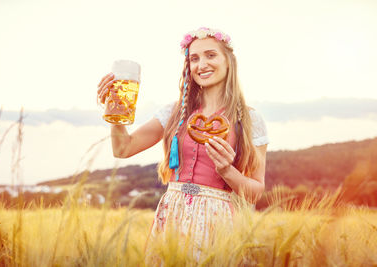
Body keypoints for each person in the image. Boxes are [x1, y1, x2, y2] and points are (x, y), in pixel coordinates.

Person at [96, 27, 269, 262]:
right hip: (172, 214)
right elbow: (123, 148)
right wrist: (114, 111)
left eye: (210, 55)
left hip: (218, 219)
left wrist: (228, 171)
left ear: (228, 61)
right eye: (194, 58)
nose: (201, 64)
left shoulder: (249, 120)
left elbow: (255, 192)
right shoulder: (174, 113)